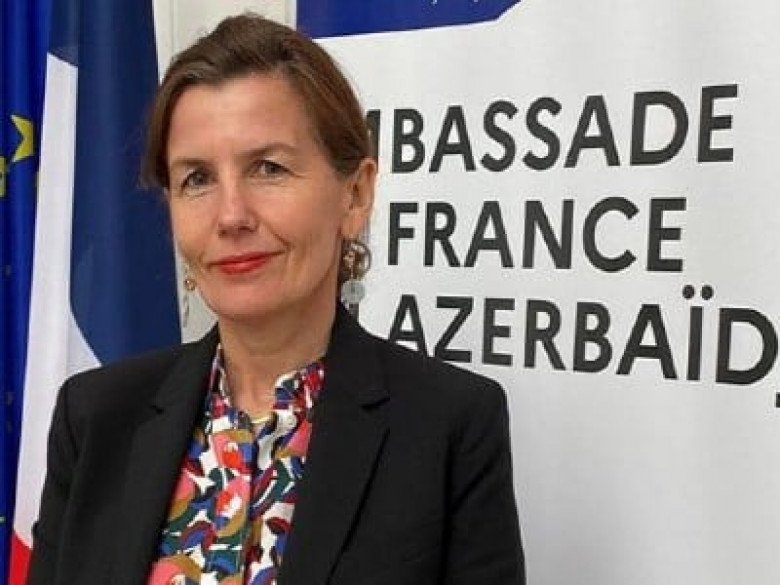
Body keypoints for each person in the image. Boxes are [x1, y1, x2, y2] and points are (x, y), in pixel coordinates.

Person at [27, 13, 524, 585]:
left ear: (355, 194)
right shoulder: (95, 417)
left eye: (268, 168)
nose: (231, 216)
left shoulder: (450, 426)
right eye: (196, 179)